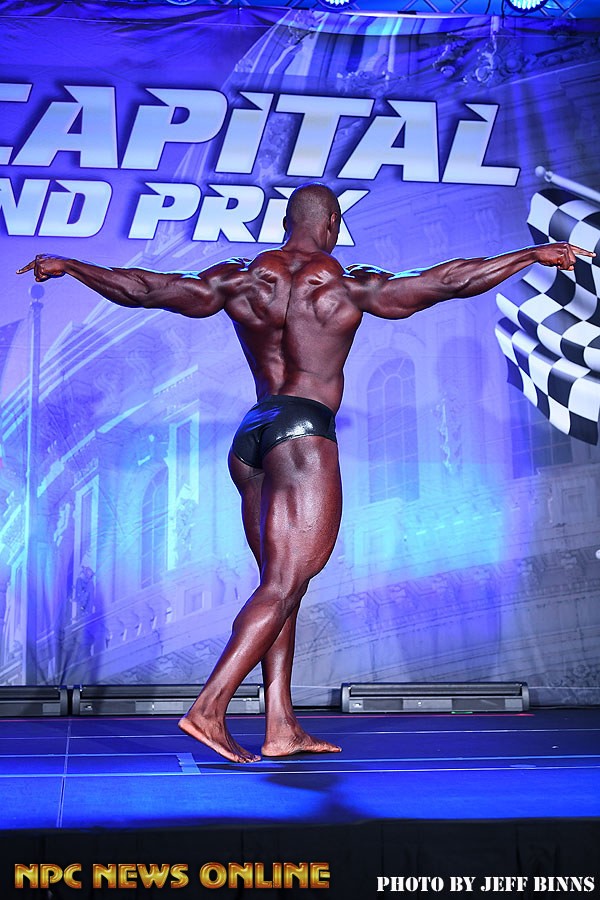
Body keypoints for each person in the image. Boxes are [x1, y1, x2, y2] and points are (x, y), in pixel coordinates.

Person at [17, 183, 594, 763]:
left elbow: (149, 289)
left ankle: (281, 725)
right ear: (333, 223)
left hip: (254, 433)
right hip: (302, 431)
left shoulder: (241, 279)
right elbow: (448, 281)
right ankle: (209, 709)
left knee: (279, 584)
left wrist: (73, 266)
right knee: (284, 585)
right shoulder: (346, 284)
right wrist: (530, 255)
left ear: (286, 222)